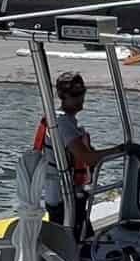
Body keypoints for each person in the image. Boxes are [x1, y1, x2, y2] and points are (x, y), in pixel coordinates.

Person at [32, 71, 98, 237]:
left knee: (83, 238)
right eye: (74, 94)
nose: (79, 98)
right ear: (62, 96)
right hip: (64, 198)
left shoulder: (66, 122)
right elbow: (85, 157)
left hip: (69, 194)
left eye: (81, 92)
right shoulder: (62, 123)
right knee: (76, 241)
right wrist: (121, 150)